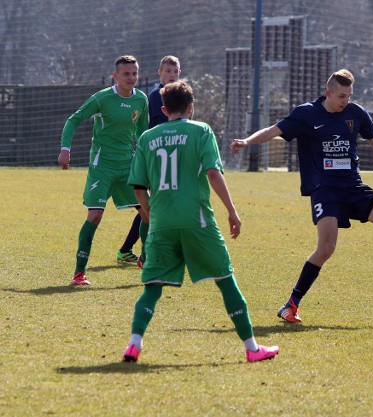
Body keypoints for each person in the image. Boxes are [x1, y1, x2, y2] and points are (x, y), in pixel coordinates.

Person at [230, 69, 373, 324]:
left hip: (353, 187)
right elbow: (274, 130)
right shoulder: (306, 114)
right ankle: (290, 305)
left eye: (348, 96)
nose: (345, 101)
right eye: (341, 96)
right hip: (325, 190)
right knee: (326, 248)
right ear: (328, 93)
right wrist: (247, 142)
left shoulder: (356, 113)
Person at [123, 81, 279, 363]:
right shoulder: (201, 131)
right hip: (198, 221)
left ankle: (134, 343)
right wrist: (232, 211)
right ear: (191, 108)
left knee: (152, 287)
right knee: (225, 278)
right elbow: (213, 173)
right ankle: (253, 348)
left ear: (163, 109)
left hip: (162, 223)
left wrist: (151, 217)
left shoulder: (147, 138)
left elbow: (137, 189)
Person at [58, 55, 149, 286]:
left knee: (149, 212)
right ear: (115, 75)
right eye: (126, 74)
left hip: (128, 165)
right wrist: (65, 148)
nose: (131, 78)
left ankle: (147, 261)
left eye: (134, 73)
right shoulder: (102, 98)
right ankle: (79, 273)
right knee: (95, 215)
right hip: (103, 166)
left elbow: (142, 131)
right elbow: (73, 120)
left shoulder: (141, 100)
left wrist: (146, 159)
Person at [129, 55, 182, 269]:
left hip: (177, 157)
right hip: (158, 157)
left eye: (175, 71)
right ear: (159, 73)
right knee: (151, 207)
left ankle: (150, 252)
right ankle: (145, 254)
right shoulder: (155, 96)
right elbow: (156, 128)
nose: (171, 75)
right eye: (167, 71)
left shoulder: (183, 95)